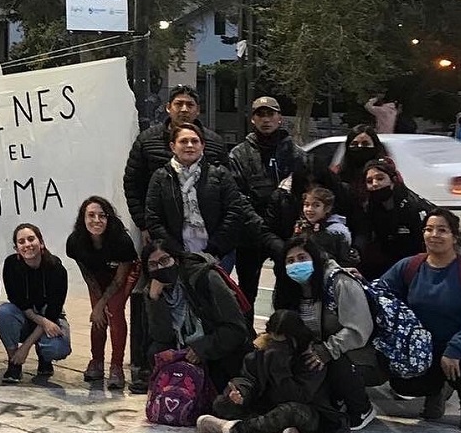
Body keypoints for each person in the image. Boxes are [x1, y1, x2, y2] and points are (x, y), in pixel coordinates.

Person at [196, 309, 350, 433]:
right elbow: (248, 378)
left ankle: (234, 429)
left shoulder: (311, 358)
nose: (276, 347)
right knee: (222, 404)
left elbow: (298, 396)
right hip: (265, 406)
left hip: (306, 411)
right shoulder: (262, 352)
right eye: (273, 341)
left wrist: (280, 368)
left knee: (289, 412)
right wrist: (241, 393)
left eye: (281, 343)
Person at [274, 236, 380, 431]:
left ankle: (361, 407)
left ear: (315, 257)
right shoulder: (289, 289)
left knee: (333, 362)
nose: (296, 264)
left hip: (355, 354)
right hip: (314, 352)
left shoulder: (339, 282)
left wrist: (326, 350)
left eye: (302, 258)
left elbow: (359, 329)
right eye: (290, 261)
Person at [377, 209, 461, 430]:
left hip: (458, 347)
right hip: (422, 348)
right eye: (429, 229)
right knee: (404, 382)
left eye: (442, 230)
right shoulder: (410, 266)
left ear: (454, 236)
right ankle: (436, 389)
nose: (434, 235)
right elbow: (380, 291)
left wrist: (455, 348)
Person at [140, 240, 251, 393]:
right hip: (184, 351)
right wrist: (155, 300)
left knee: (221, 405)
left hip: (218, 350)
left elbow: (236, 329)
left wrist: (202, 348)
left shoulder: (205, 277)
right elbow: (162, 336)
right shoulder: (154, 290)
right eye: (153, 265)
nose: (160, 267)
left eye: (164, 260)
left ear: (176, 260)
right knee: (156, 350)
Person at [122, 84, 227, 243]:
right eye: (179, 104)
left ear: (198, 110)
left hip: (209, 233)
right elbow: (132, 184)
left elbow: (228, 189)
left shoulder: (215, 143)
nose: (184, 109)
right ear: (168, 108)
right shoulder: (147, 140)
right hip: (160, 233)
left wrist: (222, 235)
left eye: (190, 105)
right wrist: (143, 225)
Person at [228, 96, 305, 313]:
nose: (266, 119)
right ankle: (245, 340)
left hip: (286, 235)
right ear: (252, 119)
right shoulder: (238, 154)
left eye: (270, 114)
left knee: (288, 291)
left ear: (280, 118)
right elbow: (237, 197)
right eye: (260, 114)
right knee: (246, 294)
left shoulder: (296, 154)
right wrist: (261, 230)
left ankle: (281, 338)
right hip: (251, 234)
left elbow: (306, 192)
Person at [65, 196, 140, 389]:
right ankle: (96, 360)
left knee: (114, 311)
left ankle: (116, 365)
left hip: (123, 274)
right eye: (91, 215)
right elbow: (86, 273)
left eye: (102, 216)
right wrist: (97, 303)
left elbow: (120, 278)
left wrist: (102, 303)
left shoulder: (121, 240)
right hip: (97, 275)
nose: (96, 220)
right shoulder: (75, 241)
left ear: (108, 219)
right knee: (98, 316)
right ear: (83, 218)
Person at [144, 122, 247, 259]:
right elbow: (153, 218)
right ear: (173, 147)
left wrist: (214, 248)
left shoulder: (220, 174)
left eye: (194, 141)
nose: (190, 145)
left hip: (218, 253)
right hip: (175, 254)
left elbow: (234, 211)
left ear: (202, 146)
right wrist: (175, 250)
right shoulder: (161, 177)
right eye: (183, 141)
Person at [0, 223, 71, 385]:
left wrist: (26, 348)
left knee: (58, 348)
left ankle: (44, 357)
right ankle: (14, 362)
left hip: (50, 317)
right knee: (4, 312)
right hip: (26, 315)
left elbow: (52, 313)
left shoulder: (56, 269)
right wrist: (41, 321)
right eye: (21, 242)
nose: (27, 245)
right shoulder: (11, 265)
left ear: (41, 243)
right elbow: (18, 301)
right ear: (16, 248)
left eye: (31, 239)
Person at [354, 157, 430, 280]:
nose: (375, 184)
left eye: (380, 178)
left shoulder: (413, 206)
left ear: (393, 180)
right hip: (388, 265)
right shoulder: (369, 207)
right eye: (369, 181)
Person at [294, 187, 352, 265]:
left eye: (316, 205)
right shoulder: (302, 226)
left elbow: (345, 260)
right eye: (306, 205)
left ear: (327, 208)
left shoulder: (336, 231)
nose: (309, 209)